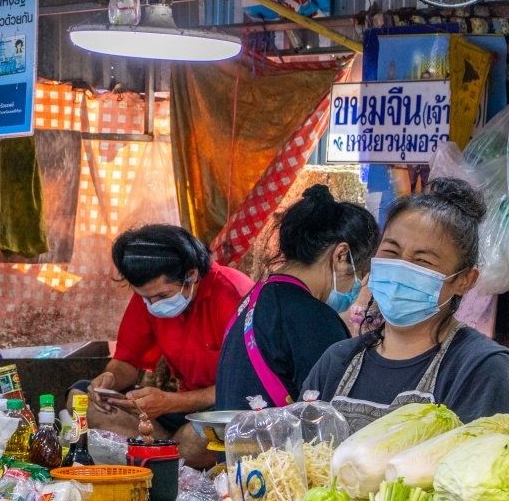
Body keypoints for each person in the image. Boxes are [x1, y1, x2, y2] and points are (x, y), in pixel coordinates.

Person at [301, 178, 509, 432]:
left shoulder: (478, 366)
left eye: (422, 261)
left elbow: (480, 466)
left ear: (465, 280)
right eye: (391, 252)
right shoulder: (336, 362)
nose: (401, 267)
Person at [70, 224, 253, 467]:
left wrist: (171, 402)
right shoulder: (149, 296)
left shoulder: (234, 295)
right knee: (80, 398)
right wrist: (109, 379)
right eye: (146, 298)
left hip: (225, 407)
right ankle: (172, 455)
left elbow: (247, 386)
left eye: (163, 297)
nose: (153, 305)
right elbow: (127, 360)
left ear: (192, 275)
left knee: (201, 435)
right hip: (178, 412)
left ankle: (164, 455)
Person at [215, 185, 378, 412]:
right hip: (280, 447)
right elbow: (334, 415)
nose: (359, 284)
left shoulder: (255, 298)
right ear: (341, 256)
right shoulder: (314, 319)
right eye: (361, 272)